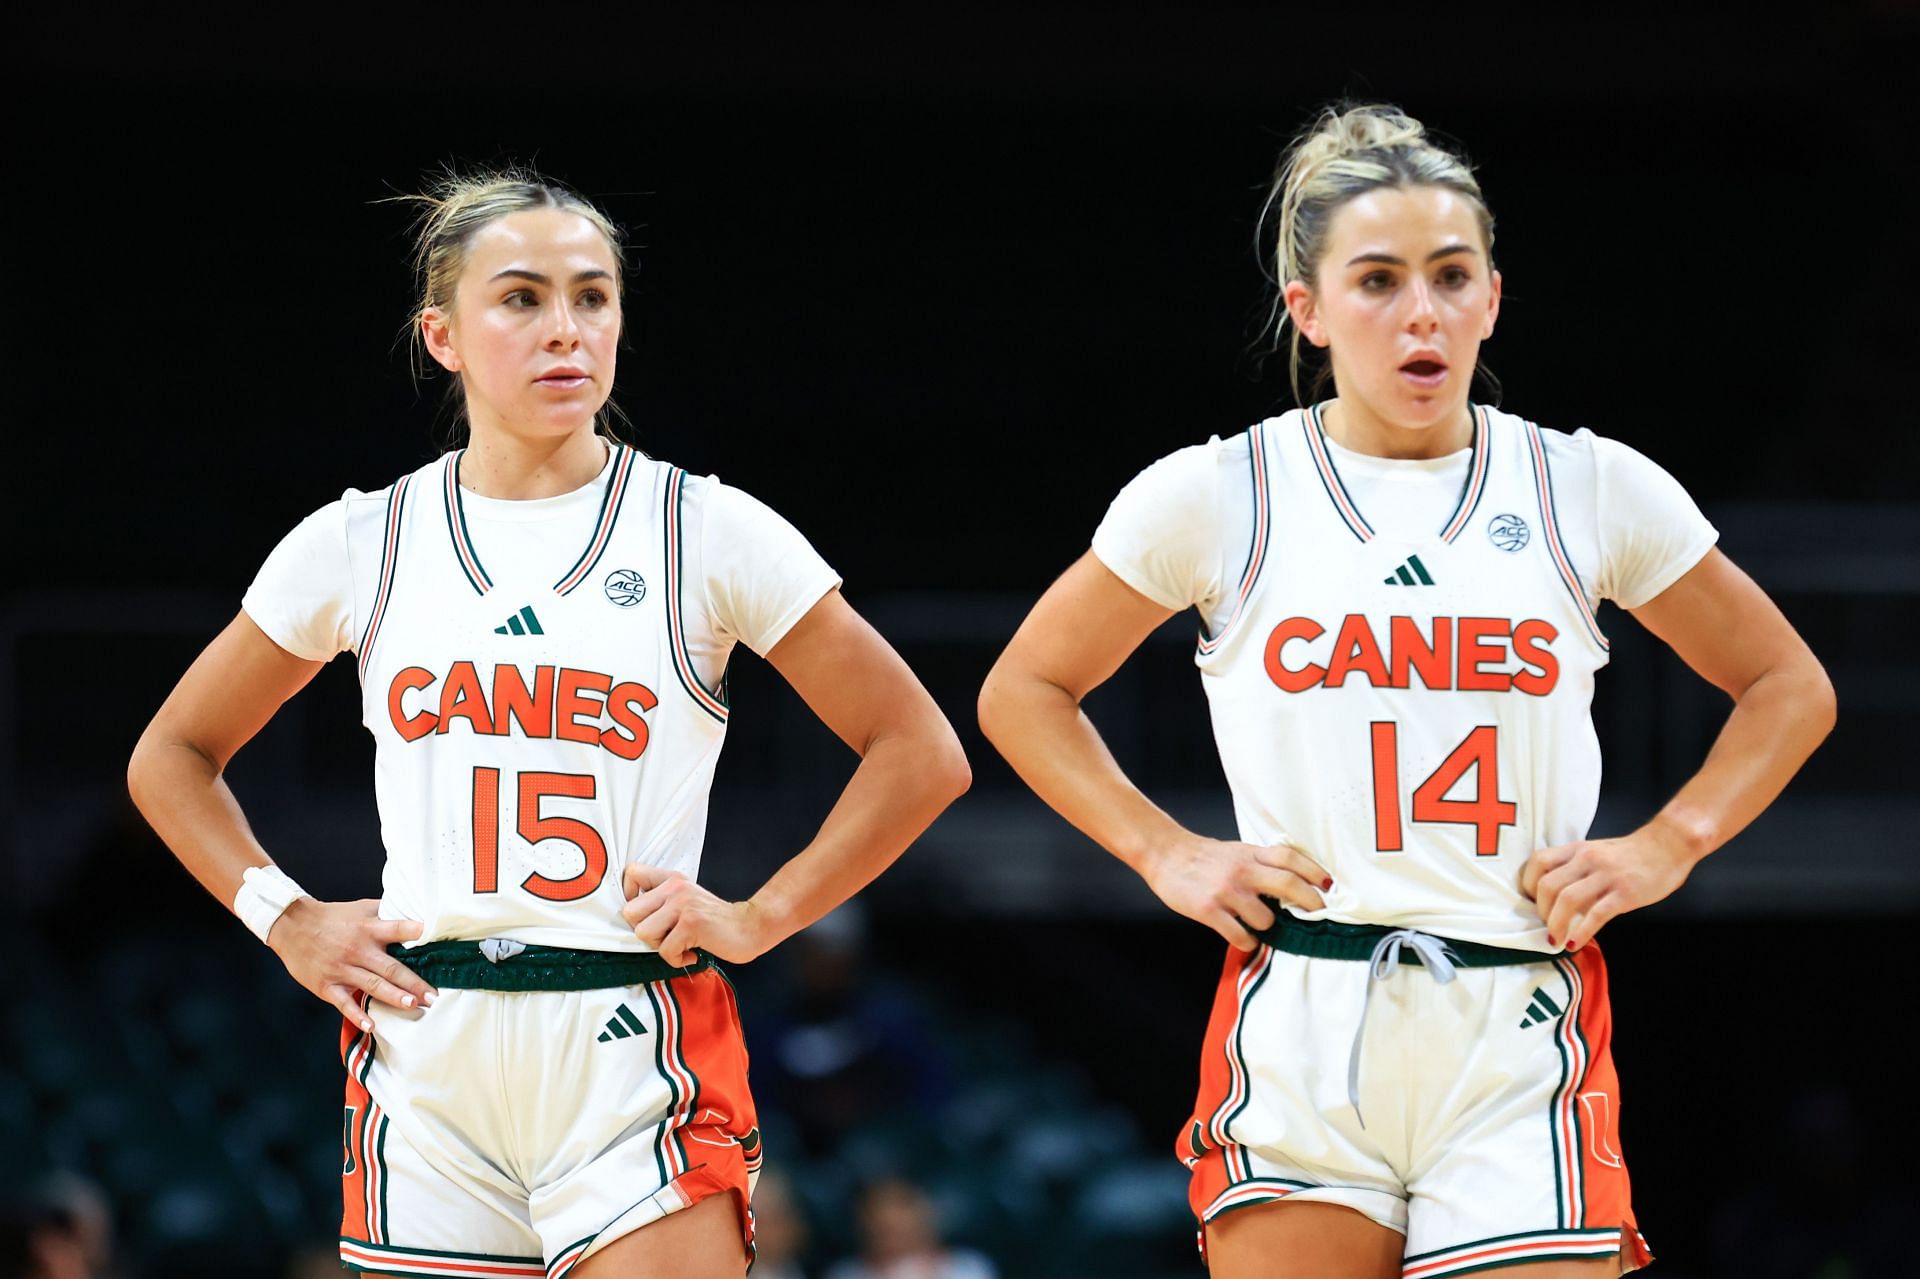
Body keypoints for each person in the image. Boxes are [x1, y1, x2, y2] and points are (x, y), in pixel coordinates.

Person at [976, 103, 1834, 1278]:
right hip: (1310, 1005)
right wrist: (1164, 850)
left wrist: (1671, 842)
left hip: (1515, 1009)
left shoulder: (1588, 487)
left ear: (1490, 297)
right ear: (1310, 312)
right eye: (1376, 280)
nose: (1419, 312)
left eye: (1450, 276)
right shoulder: (1221, 493)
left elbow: (1788, 684)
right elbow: (1025, 688)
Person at [127, 168, 970, 1279]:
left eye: (594, 296)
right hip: (428, 1041)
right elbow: (171, 757)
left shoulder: (704, 529)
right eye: (521, 298)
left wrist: (765, 913)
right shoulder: (362, 541)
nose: (565, 328)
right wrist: (285, 918)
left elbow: (922, 752)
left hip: (629, 1032)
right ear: (444, 336)